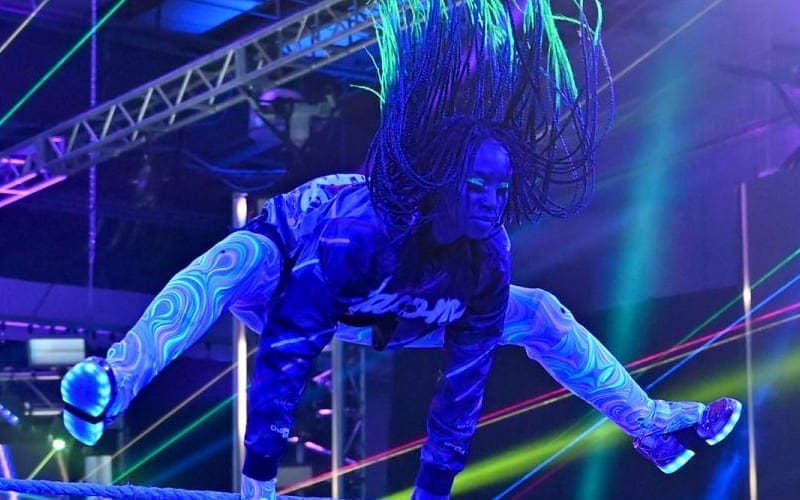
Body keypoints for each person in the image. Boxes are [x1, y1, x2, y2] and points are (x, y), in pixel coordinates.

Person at [60, 2, 741, 499]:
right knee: (233, 262)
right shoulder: (359, 230)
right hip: (289, 288)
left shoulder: (488, 256)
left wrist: (431, 492)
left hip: (399, 313)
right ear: (443, 180)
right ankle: (112, 386)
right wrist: (258, 481)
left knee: (541, 313)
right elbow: (290, 345)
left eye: (502, 189)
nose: (491, 202)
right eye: (477, 186)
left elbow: (463, 384)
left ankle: (653, 427)